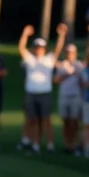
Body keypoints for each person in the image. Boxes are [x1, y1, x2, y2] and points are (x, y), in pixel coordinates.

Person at [18, 24, 65, 154]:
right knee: (32, 120)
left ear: (44, 49)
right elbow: (21, 48)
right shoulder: (29, 59)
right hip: (31, 93)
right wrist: (25, 34)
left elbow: (58, 49)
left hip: (44, 93)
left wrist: (61, 35)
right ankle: (35, 144)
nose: (39, 50)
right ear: (34, 49)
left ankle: (50, 145)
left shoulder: (48, 59)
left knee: (46, 120)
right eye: (37, 47)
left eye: (41, 48)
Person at [55, 43, 84, 154]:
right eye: (68, 52)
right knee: (66, 122)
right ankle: (67, 144)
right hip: (64, 96)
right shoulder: (62, 65)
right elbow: (56, 80)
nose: (70, 54)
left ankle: (76, 144)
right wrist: (68, 74)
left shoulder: (79, 65)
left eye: (72, 52)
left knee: (75, 122)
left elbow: (82, 81)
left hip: (75, 96)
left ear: (75, 54)